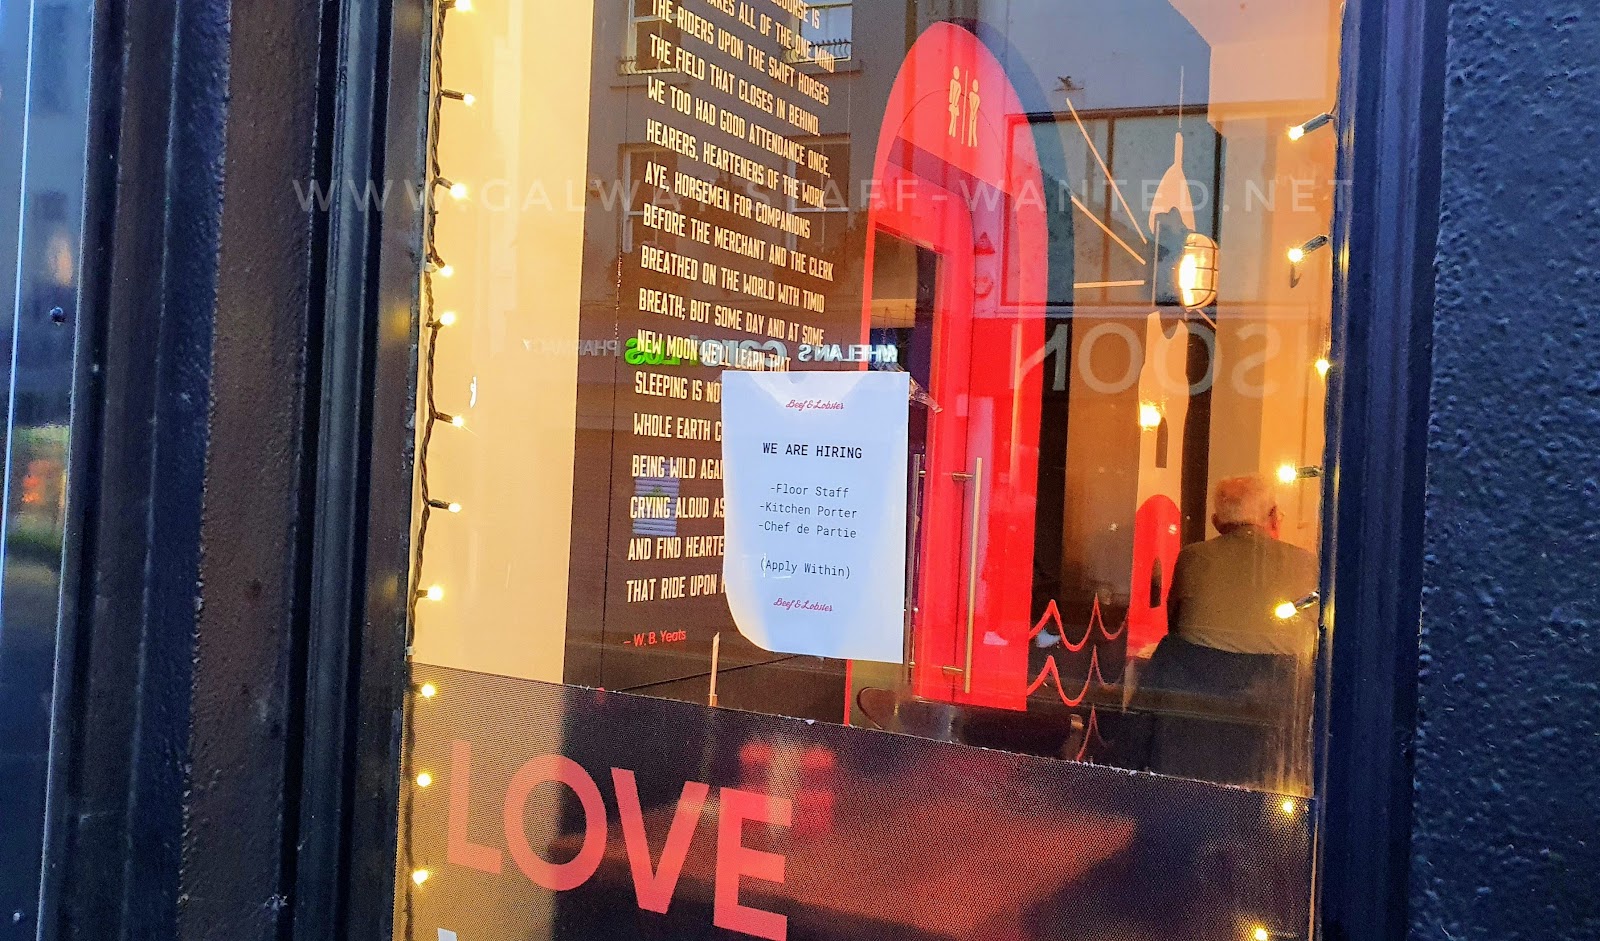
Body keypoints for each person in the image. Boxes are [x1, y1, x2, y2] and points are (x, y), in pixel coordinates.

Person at [1130, 475, 1320, 792]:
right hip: (1276, 699)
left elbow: (1175, 624)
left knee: (1168, 652)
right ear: (1274, 517)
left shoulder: (1193, 558)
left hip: (1195, 703)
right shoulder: (1307, 564)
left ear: (1217, 522)